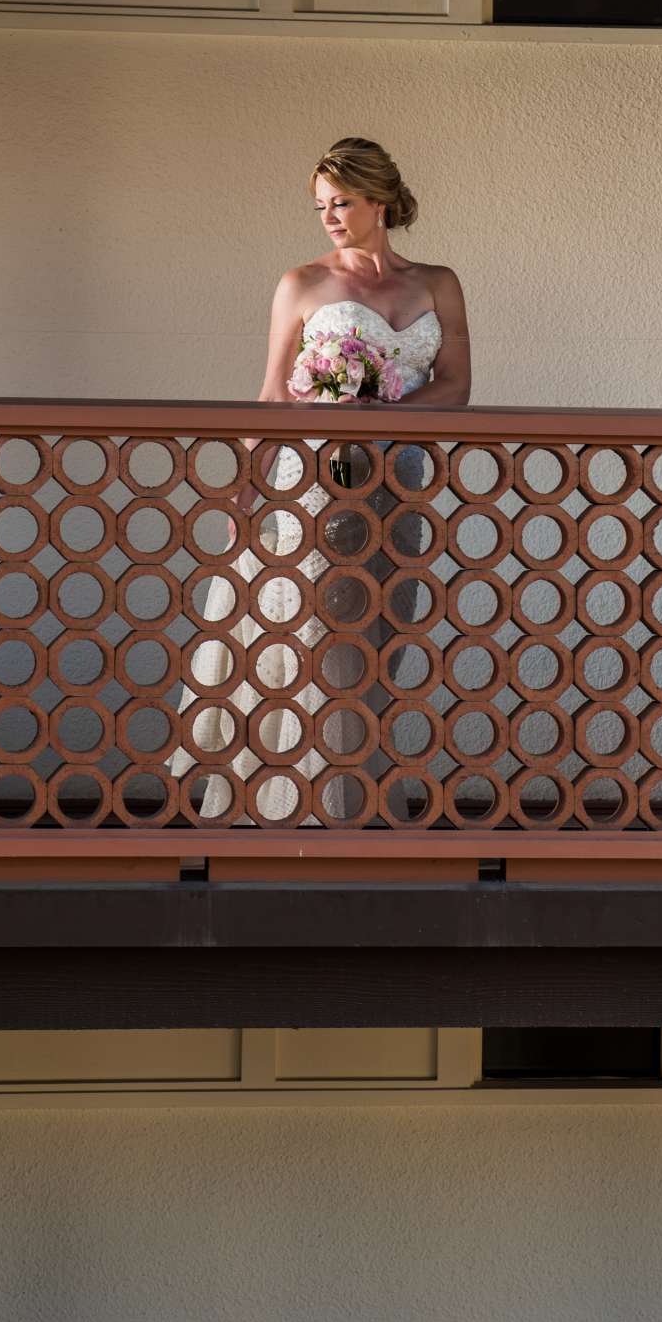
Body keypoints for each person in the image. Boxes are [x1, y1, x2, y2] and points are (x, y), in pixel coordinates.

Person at [169, 138, 470, 826]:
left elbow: (455, 387)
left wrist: (379, 413)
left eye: (341, 202)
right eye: (320, 206)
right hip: (317, 484)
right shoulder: (301, 283)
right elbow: (274, 394)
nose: (329, 216)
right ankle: (301, 813)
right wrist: (244, 486)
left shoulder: (438, 283)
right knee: (318, 642)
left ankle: (359, 805)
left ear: (380, 201)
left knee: (382, 641)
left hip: (400, 484)